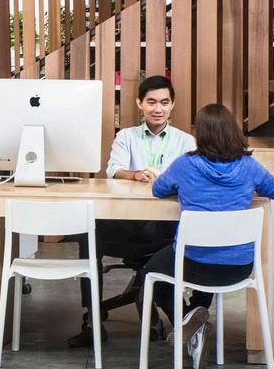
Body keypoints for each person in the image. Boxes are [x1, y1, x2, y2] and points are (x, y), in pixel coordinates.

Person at [143, 102, 274, 368]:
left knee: (150, 272)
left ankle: (189, 320)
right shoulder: (249, 166)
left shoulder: (185, 165)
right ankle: (196, 323)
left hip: (193, 265)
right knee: (201, 261)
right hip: (239, 268)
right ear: (233, 132)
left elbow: (158, 189)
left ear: (200, 134)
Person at [68, 74, 195, 350]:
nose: (158, 109)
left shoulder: (186, 142)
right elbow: (113, 170)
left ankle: (174, 313)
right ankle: (92, 321)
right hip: (128, 223)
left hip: (166, 229)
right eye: (151, 102)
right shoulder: (126, 136)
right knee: (89, 235)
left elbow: (194, 177)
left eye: (164, 102)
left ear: (172, 105)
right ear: (140, 104)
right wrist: (135, 174)